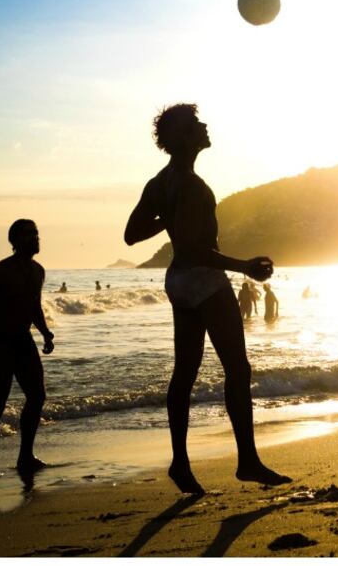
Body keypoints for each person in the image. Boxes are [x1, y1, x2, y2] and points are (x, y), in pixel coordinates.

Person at [125, 102, 289, 493]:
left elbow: (131, 233)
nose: (204, 126)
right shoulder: (190, 185)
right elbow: (196, 250)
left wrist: (167, 217)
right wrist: (244, 266)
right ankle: (247, 461)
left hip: (179, 282)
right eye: (195, 123)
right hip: (203, 278)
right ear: (182, 136)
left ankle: (180, 464)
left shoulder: (160, 182)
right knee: (238, 369)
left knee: (185, 373)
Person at [0, 219, 56, 478]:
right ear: (15, 240)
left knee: (37, 396)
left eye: (37, 233)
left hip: (23, 340)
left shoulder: (38, 271)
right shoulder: (1, 271)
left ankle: (25, 457)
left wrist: (45, 333)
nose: (35, 238)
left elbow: (34, 307)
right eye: (29, 234)